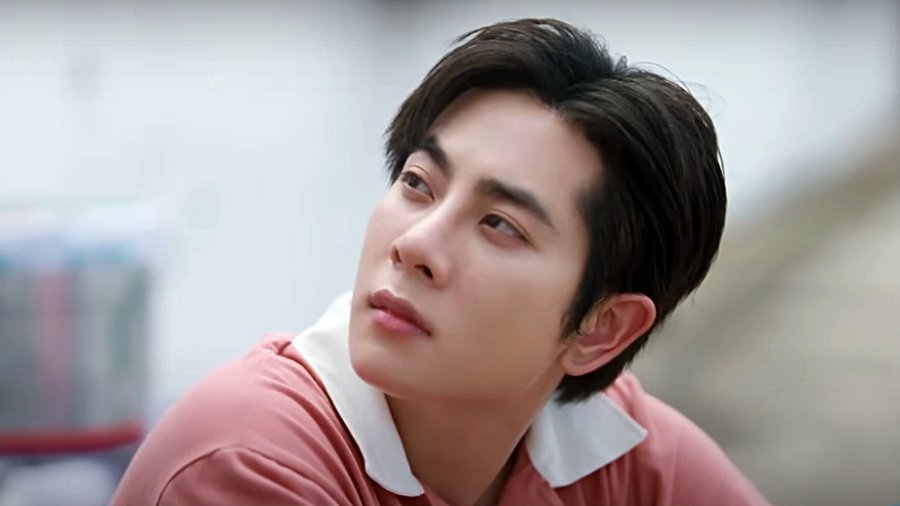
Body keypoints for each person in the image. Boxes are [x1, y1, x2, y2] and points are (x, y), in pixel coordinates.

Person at [112, 18, 769, 506]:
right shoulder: (250, 462)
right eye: (418, 183)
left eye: (499, 225)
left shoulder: (624, 457)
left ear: (601, 328)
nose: (415, 245)